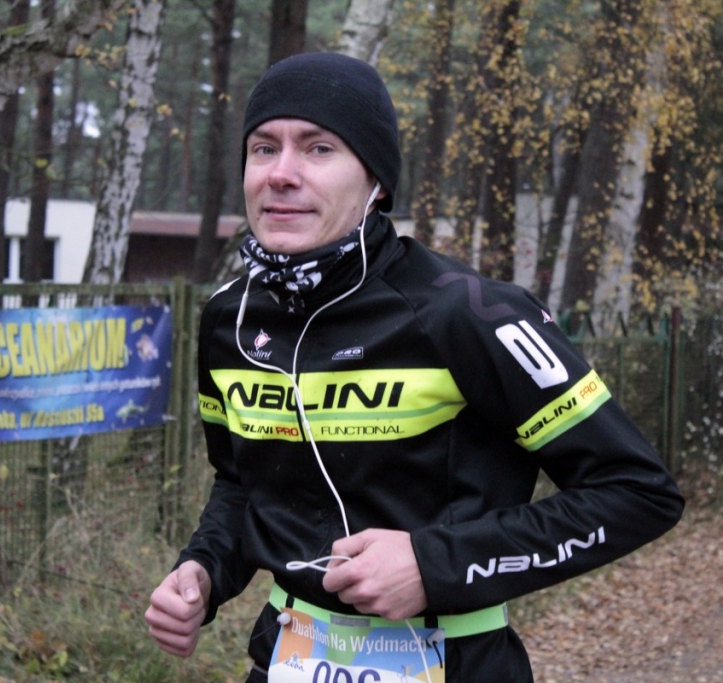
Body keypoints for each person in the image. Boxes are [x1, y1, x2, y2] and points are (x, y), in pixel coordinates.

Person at [145, 51, 684, 683]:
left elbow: (637, 493)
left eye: (319, 149)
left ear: (376, 180)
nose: (281, 174)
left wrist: (434, 564)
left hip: (457, 663)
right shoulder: (228, 319)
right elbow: (241, 485)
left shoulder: (471, 314)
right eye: (264, 148)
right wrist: (204, 570)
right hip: (286, 655)